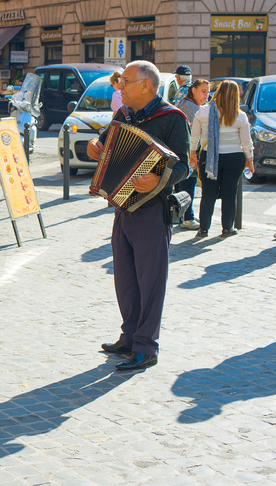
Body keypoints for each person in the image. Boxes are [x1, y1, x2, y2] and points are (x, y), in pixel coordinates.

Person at [86, 60, 190, 370]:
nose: (120, 86)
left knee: (150, 281)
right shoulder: (123, 114)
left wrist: (159, 180)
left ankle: (146, 346)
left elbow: (184, 166)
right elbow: (105, 140)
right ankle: (129, 337)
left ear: (146, 85)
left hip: (151, 210)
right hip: (122, 206)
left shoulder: (172, 118)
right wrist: (96, 146)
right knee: (126, 280)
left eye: (126, 81)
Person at [190, 80, 254, 239]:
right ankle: (227, 228)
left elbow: (194, 136)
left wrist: (192, 155)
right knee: (229, 193)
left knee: (208, 194)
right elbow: (246, 142)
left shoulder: (203, 112)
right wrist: (250, 161)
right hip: (234, 158)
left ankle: (203, 229)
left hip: (209, 157)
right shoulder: (239, 115)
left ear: (218, 92)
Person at [175, 79, 210, 231]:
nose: (206, 95)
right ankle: (187, 217)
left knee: (181, 184)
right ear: (193, 90)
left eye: (208, 92)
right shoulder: (192, 107)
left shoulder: (186, 103)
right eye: (203, 91)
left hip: (182, 150)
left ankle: (182, 215)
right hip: (188, 152)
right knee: (188, 184)